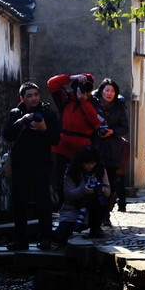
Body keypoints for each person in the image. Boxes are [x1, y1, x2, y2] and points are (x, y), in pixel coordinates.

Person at [3, 81, 61, 251]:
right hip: (20, 165)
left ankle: (45, 238)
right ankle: (21, 239)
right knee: (19, 203)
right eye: (29, 96)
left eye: (36, 95)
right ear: (22, 98)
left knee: (44, 203)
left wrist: (44, 129)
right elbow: (7, 135)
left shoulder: (48, 114)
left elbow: (55, 139)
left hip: (41, 165)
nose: (34, 98)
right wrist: (21, 121)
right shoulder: (15, 113)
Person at [47, 72, 101, 208]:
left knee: (81, 179)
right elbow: (51, 84)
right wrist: (71, 77)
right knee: (61, 180)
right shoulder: (66, 98)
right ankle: (63, 208)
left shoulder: (93, 103)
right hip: (62, 147)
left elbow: (96, 123)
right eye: (80, 86)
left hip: (82, 149)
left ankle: (82, 209)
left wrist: (84, 102)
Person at [52, 145, 111, 245]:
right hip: (73, 209)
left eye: (92, 163)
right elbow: (68, 193)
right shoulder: (71, 171)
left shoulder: (100, 170)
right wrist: (83, 190)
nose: (89, 166)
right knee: (60, 236)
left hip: (93, 208)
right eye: (87, 163)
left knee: (101, 202)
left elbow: (108, 191)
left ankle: (95, 227)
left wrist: (101, 189)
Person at [91, 78, 130, 216]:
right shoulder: (93, 104)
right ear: (101, 91)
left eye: (112, 91)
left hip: (112, 149)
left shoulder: (119, 107)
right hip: (95, 147)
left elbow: (125, 127)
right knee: (95, 181)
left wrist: (112, 131)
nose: (109, 93)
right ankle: (95, 214)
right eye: (107, 90)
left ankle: (106, 214)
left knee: (111, 184)